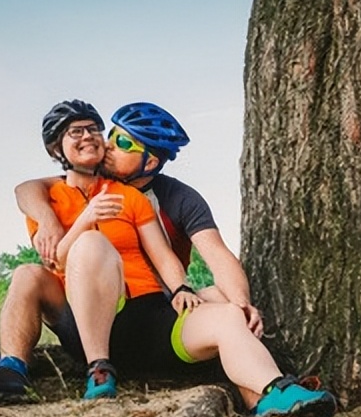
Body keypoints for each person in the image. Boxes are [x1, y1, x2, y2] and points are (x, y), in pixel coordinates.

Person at [0, 100, 336, 417]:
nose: (100, 144)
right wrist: (66, 220)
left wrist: (207, 294)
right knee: (38, 268)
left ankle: (270, 393)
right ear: (58, 149)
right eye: (82, 134)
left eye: (109, 137)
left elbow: (184, 255)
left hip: (149, 314)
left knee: (227, 310)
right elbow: (29, 197)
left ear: (150, 161)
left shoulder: (148, 198)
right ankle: (28, 370)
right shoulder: (50, 193)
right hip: (84, 317)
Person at [15, 101, 263, 338]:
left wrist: (242, 304)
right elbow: (28, 188)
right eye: (111, 135)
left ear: (150, 162)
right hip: (86, 299)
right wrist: (48, 219)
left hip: (156, 301)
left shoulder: (180, 198)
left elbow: (218, 256)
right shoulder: (90, 176)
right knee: (29, 275)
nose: (110, 146)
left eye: (122, 142)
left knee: (224, 301)